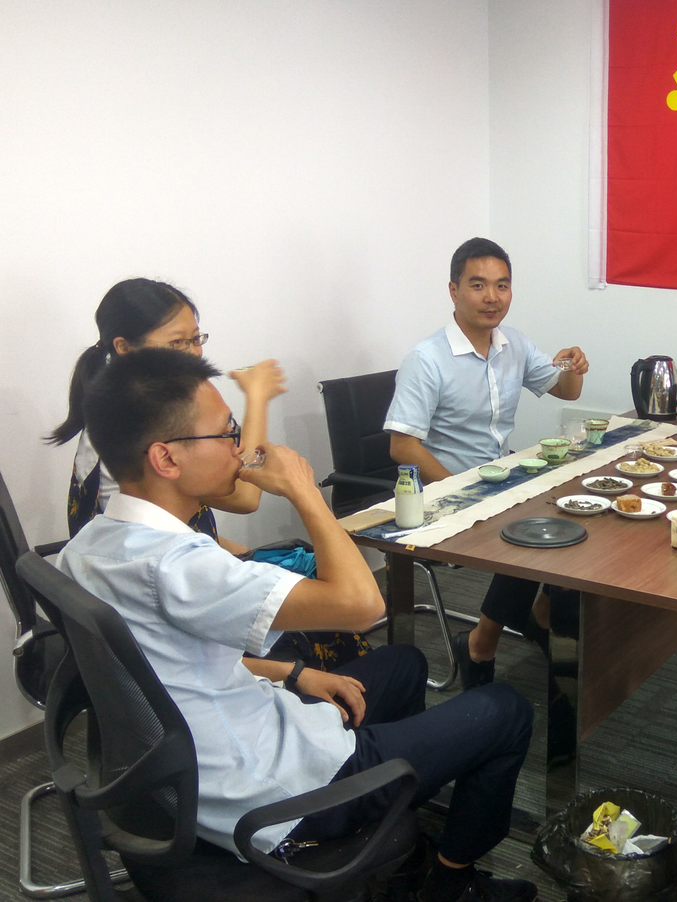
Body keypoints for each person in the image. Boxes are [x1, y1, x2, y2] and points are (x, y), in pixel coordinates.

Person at [56, 347, 537, 902]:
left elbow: (161, 665)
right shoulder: (180, 566)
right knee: (506, 711)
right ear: (166, 458)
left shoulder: (87, 546)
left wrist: (293, 673)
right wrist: (304, 490)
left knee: (404, 664)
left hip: (208, 754)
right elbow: (363, 605)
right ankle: (451, 884)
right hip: (275, 796)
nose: (239, 446)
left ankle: (391, 847)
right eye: (227, 432)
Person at [385, 237, 589, 689]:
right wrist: (468, 488)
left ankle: (538, 615)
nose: (492, 297)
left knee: (575, 510)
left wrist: (573, 366)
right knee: (531, 534)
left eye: (502, 285)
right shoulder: (427, 360)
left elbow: (566, 391)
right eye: (478, 285)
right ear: (454, 291)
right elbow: (402, 447)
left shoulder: (513, 344)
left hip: (499, 479)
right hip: (444, 491)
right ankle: (483, 642)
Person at [48, 278, 286, 553]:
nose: (194, 353)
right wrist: (257, 397)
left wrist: (242, 554)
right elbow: (244, 498)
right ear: (124, 347)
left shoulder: (131, 404)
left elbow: (179, 525)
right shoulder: (132, 423)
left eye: (196, 339)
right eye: (177, 343)